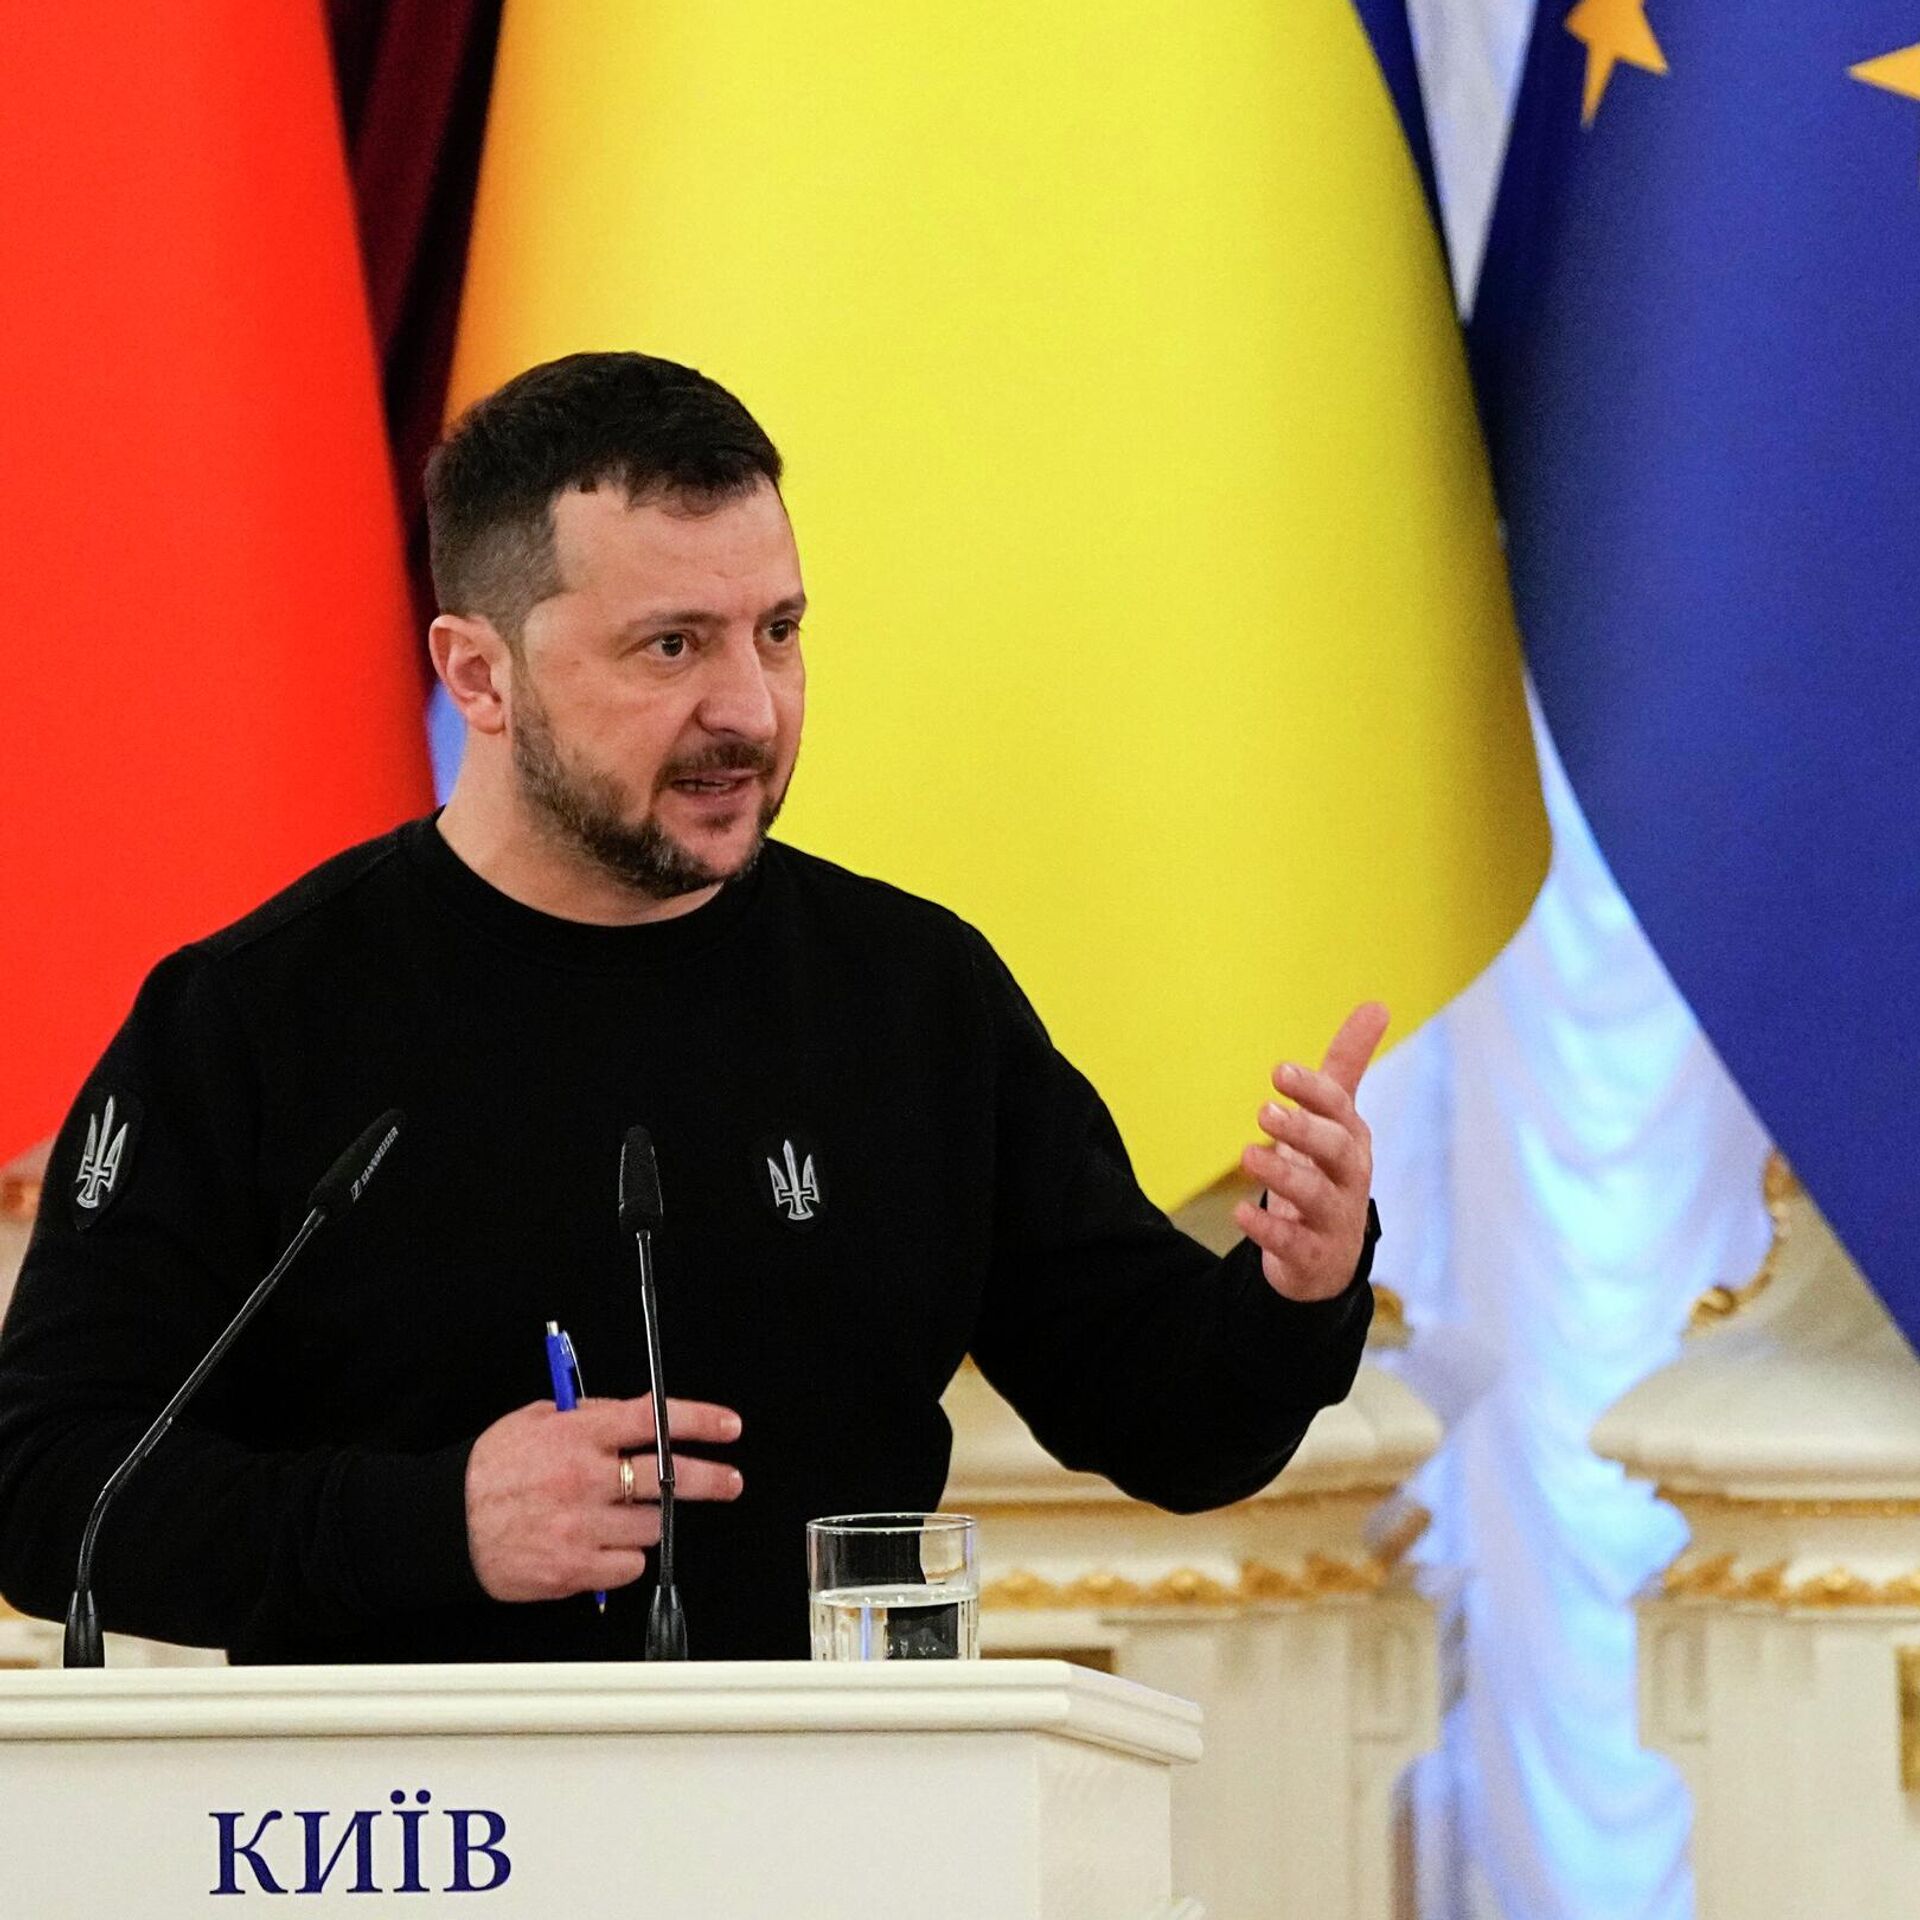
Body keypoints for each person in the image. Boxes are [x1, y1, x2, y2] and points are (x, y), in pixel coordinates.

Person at [0, 352, 1385, 1664]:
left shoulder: (911, 996)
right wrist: (432, 1525)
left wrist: (1293, 1291)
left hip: (837, 1808)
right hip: (410, 1817)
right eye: (671, 647)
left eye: (777, 633)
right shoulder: (252, 1018)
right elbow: (44, 1488)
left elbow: (1171, 1426)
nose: (752, 710)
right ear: (478, 675)